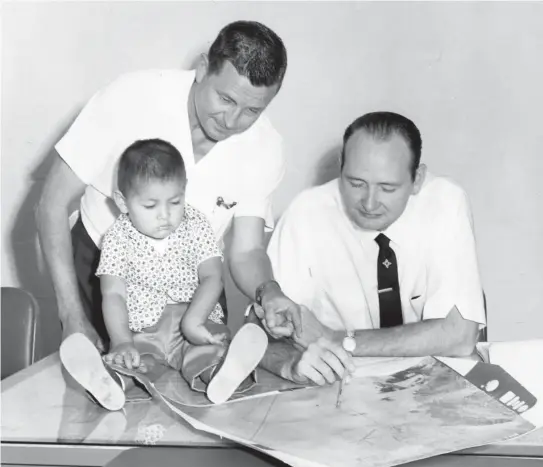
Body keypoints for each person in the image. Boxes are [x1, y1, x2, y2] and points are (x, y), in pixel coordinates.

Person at [36, 20, 302, 355]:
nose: (232, 122)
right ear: (203, 68)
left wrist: (269, 290)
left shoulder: (265, 146)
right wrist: (72, 314)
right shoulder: (131, 96)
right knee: (109, 388)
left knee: (202, 380)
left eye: (252, 110)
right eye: (225, 99)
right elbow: (51, 204)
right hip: (105, 271)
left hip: (194, 282)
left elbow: (246, 251)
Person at [253, 111, 486, 386]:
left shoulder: (446, 202)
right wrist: (290, 365)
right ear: (341, 165)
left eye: (387, 188)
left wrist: (337, 339)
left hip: (433, 385)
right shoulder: (306, 213)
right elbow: (257, 337)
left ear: (418, 178)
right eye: (356, 183)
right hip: (343, 389)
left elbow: (458, 336)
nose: (369, 203)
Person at [60, 138, 268, 409]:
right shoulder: (115, 238)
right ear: (123, 202)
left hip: (195, 317)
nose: (165, 216)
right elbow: (113, 294)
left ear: (184, 191)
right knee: (134, 361)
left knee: (208, 351)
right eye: (150, 206)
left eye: (175, 201)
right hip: (142, 328)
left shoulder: (196, 224)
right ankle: (111, 383)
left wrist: (193, 321)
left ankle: (222, 374)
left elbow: (212, 276)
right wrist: (122, 341)